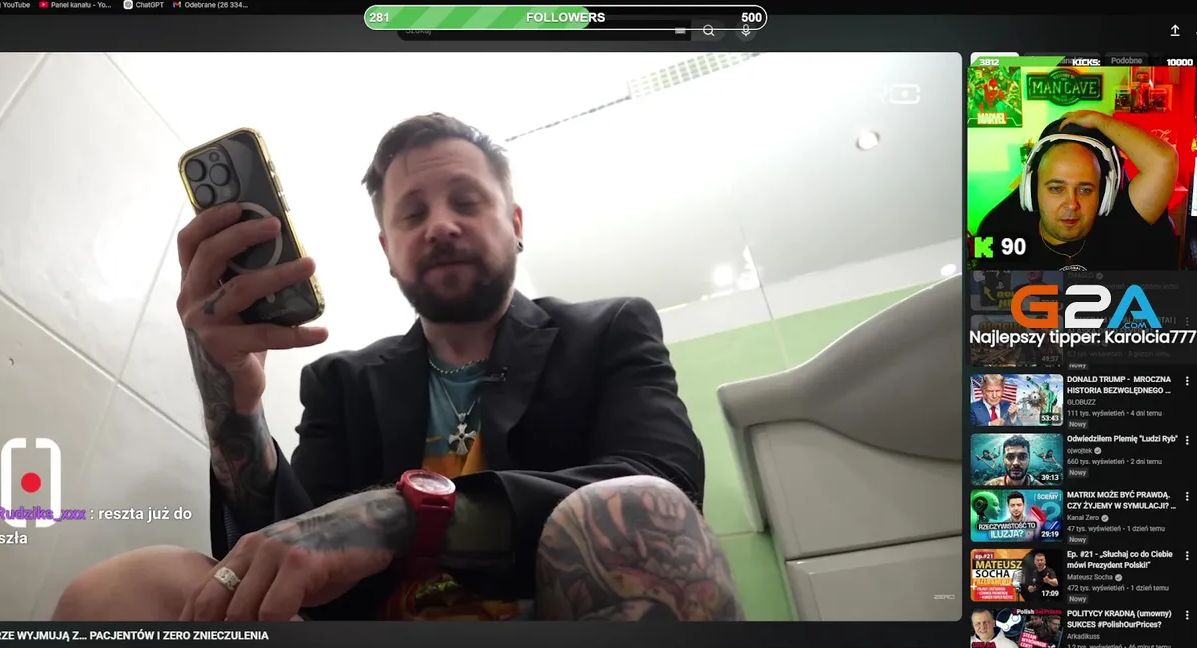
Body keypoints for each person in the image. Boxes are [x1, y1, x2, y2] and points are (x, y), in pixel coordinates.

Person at [53, 113, 743, 622]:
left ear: (516, 223)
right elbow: (289, 542)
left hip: (554, 647)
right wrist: (231, 397)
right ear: (388, 249)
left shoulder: (609, 330)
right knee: (125, 590)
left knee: (635, 508)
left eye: (466, 202)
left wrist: (398, 515)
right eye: (412, 214)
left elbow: (667, 488)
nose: (440, 225)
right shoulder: (343, 383)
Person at [975, 111, 1181, 270]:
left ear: (1103, 194)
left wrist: (1099, 121)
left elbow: (1163, 161)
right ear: (1031, 190)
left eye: (1085, 190)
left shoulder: (1121, 224)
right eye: (1056, 188)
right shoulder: (998, 234)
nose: (1072, 204)